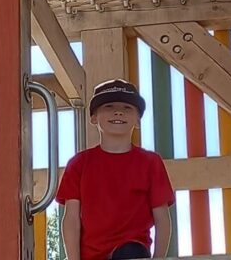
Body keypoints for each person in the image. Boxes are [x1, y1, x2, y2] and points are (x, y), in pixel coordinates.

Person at [56, 79, 175, 260]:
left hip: (132, 254)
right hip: (91, 257)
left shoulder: (150, 162)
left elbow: (162, 218)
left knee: (130, 252)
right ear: (94, 117)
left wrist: (158, 258)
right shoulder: (79, 164)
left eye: (127, 107)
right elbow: (71, 219)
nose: (118, 111)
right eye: (109, 106)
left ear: (138, 120)